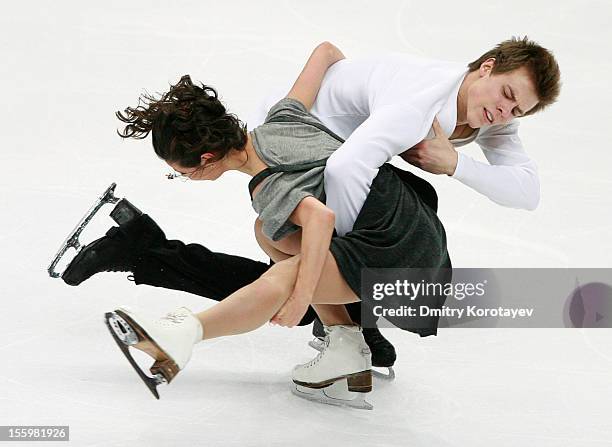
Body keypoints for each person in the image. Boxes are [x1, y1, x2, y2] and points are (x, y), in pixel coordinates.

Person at [92, 42, 452, 409]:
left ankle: (182, 334)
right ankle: (346, 346)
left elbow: (320, 218)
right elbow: (326, 52)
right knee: (267, 230)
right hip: (415, 228)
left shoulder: (269, 184)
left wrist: (299, 298)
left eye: (182, 173)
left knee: (285, 277)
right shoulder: (284, 117)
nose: (184, 177)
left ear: (206, 158)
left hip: (398, 257)